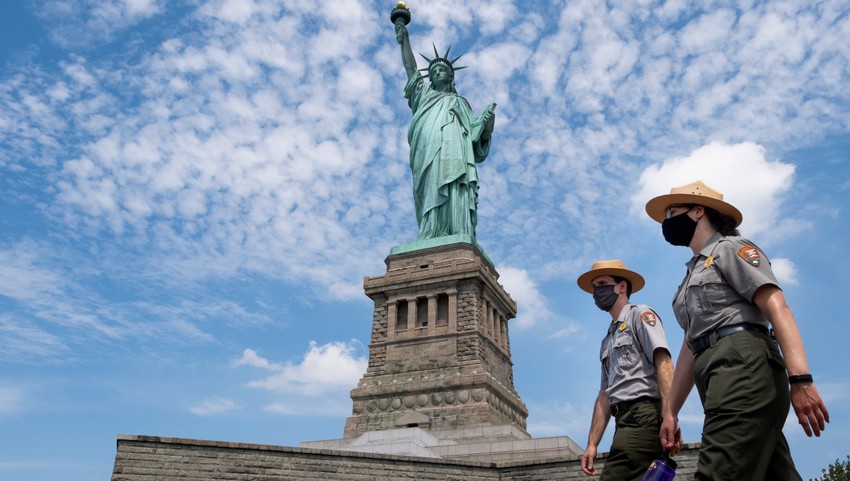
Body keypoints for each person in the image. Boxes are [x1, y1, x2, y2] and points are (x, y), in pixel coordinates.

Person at [645, 180, 829, 481]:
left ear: (697, 211)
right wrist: (671, 411)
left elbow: (777, 307)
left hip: (742, 367)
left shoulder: (731, 249)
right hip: (718, 375)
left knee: (718, 472)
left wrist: (801, 379)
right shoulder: (692, 273)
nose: (667, 221)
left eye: (672, 212)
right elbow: (692, 343)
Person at [394, 19, 496, 241]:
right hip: (427, 149)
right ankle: (430, 231)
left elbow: (475, 139)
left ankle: (457, 231)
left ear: (451, 76)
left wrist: (486, 125)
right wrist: (405, 39)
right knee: (431, 185)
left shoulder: (460, 103)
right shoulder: (423, 97)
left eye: (442, 70)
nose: (437, 72)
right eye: (434, 71)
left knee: (455, 184)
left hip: (455, 153)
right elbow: (411, 69)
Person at [577, 260, 676, 480]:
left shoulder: (640, 315)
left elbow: (664, 363)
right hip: (623, 420)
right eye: (594, 287)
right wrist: (592, 444)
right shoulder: (607, 341)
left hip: (644, 414)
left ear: (621, 287)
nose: (597, 291)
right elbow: (605, 395)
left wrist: (670, 414)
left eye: (602, 283)